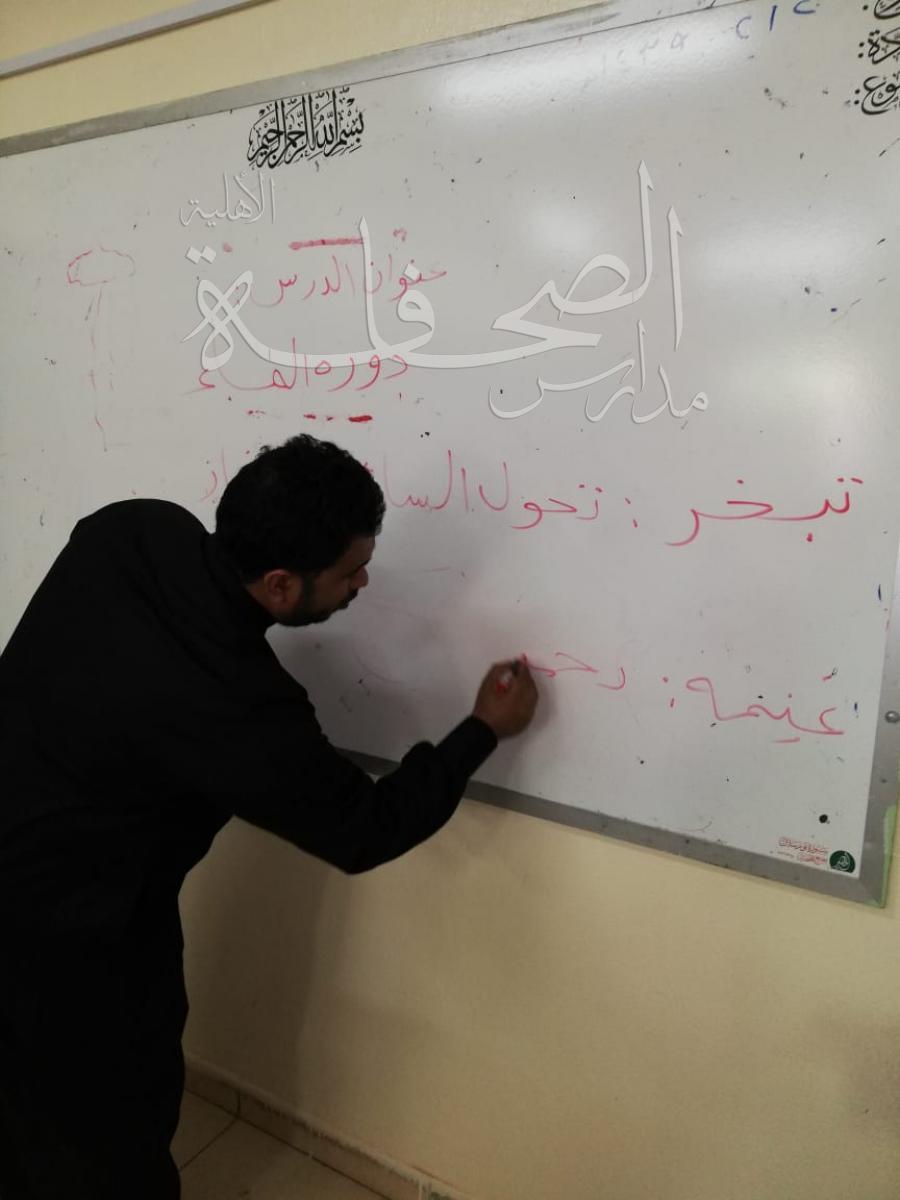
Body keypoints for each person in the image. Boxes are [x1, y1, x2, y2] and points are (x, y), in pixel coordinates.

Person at [0, 434, 537, 1199]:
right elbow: (367, 828)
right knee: (103, 1134)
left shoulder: (129, 528)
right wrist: (482, 729)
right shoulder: (241, 706)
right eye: (351, 572)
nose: (363, 583)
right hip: (77, 943)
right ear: (281, 585)